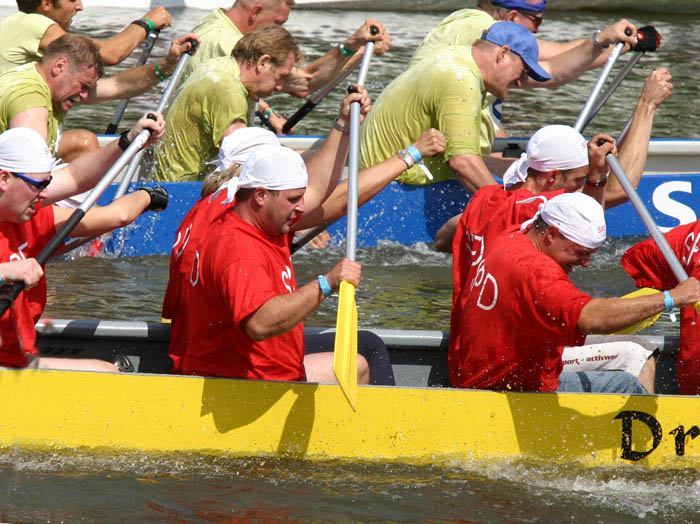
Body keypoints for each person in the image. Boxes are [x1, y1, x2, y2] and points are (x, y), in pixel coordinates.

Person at [449, 192, 700, 394]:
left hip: (481, 367)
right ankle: (643, 453)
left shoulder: (513, 234)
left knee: (638, 350)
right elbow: (590, 319)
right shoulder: (537, 273)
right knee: (625, 386)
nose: (586, 263)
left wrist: (595, 181)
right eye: (580, 253)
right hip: (507, 387)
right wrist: (671, 298)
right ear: (550, 235)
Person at [434, 67, 674, 253]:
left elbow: (443, 239)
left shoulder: (492, 199)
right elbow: (620, 190)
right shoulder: (542, 209)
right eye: (578, 179)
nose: (580, 187)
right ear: (552, 177)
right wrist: (646, 106)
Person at [0, 114, 168, 371]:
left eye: (47, 184)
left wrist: (128, 141)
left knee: (109, 372)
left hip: (16, 362)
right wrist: (4, 273)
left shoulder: (32, 212)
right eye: (38, 186)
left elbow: (77, 177)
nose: (45, 194)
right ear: (4, 179)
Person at [408, 0, 639, 171]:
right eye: (536, 20)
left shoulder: (474, 51)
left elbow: (555, 66)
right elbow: (554, 65)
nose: (537, 30)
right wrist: (606, 40)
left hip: (438, 155)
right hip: (431, 163)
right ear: (512, 18)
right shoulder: (478, 27)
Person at [359, 21, 551, 193]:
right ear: (502, 55)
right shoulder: (461, 79)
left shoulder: (454, 56)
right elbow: (463, 162)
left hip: (378, 178)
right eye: (523, 71)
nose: (521, 83)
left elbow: (468, 158)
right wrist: (507, 213)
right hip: (390, 192)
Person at [181, 0, 390, 132]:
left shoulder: (213, 21)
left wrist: (267, 113)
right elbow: (304, 83)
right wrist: (356, 46)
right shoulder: (228, 43)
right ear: (256, 12)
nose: (279, 32)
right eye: (278, 24)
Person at [0, 32, 198, 162]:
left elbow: (119, 85)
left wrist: (167, 64)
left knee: (84, 142)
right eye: (83, 86)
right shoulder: (30, 101)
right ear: (59, 66)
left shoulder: (52, 83)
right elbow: (28, 179)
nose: (85, 96)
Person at [152, 25, 298, 182]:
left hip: (166, 184)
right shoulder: (228, 92)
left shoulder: (220, 65)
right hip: (181, 194)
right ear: (263, 63)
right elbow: (245, 160)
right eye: (281, 76)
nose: (280, 87)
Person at [621, 222, 700, 395]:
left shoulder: (692, 234)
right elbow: (638, 259)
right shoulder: (691, 235)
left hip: (692, 386)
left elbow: (637, 259)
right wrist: (672, 296)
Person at [0, 1, 172, 74]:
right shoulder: (34, 24)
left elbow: (109, 88)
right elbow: (110, 53)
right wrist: (147, 22)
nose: (80, 6)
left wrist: (165, 67)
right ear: (46, 4)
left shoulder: (16, 24)